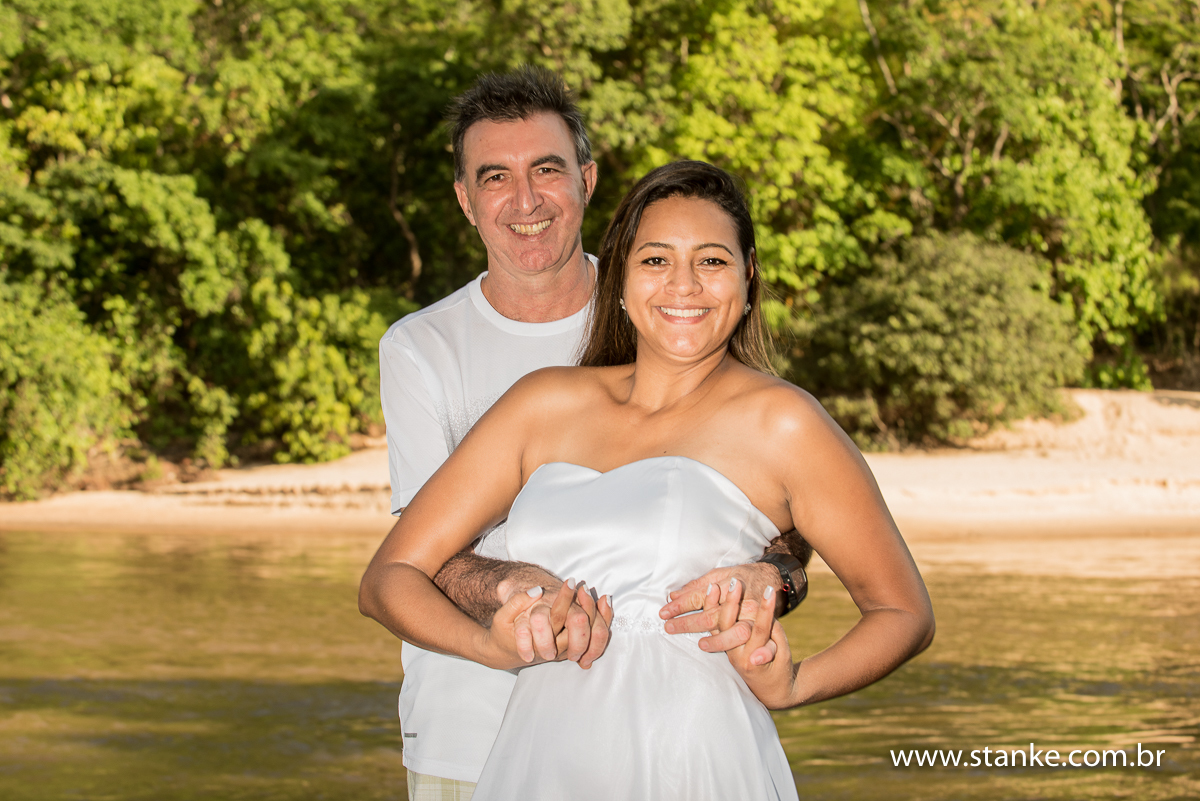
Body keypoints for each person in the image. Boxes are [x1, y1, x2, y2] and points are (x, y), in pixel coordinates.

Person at [360, 160, 936, 799]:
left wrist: (795, 682)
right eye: (656, 260)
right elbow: (389, 578)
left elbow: (903, 611)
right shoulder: (541, 403)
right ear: (620, 276)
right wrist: (491, 645)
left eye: (712, 261)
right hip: (538, 758)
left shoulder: (786, 423)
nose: (683, 286)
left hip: (699, 760)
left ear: (748, 274)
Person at [373, 67, 810, 798]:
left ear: (587, 178)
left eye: (546, 170)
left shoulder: (670, 306)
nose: (525, 200)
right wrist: (519, 591)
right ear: (463, 199)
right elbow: (420, 553)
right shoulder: (421, 346)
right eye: (494, 177)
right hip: (468, 722)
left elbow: (780, 510)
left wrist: (774, 579)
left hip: (663, 733)